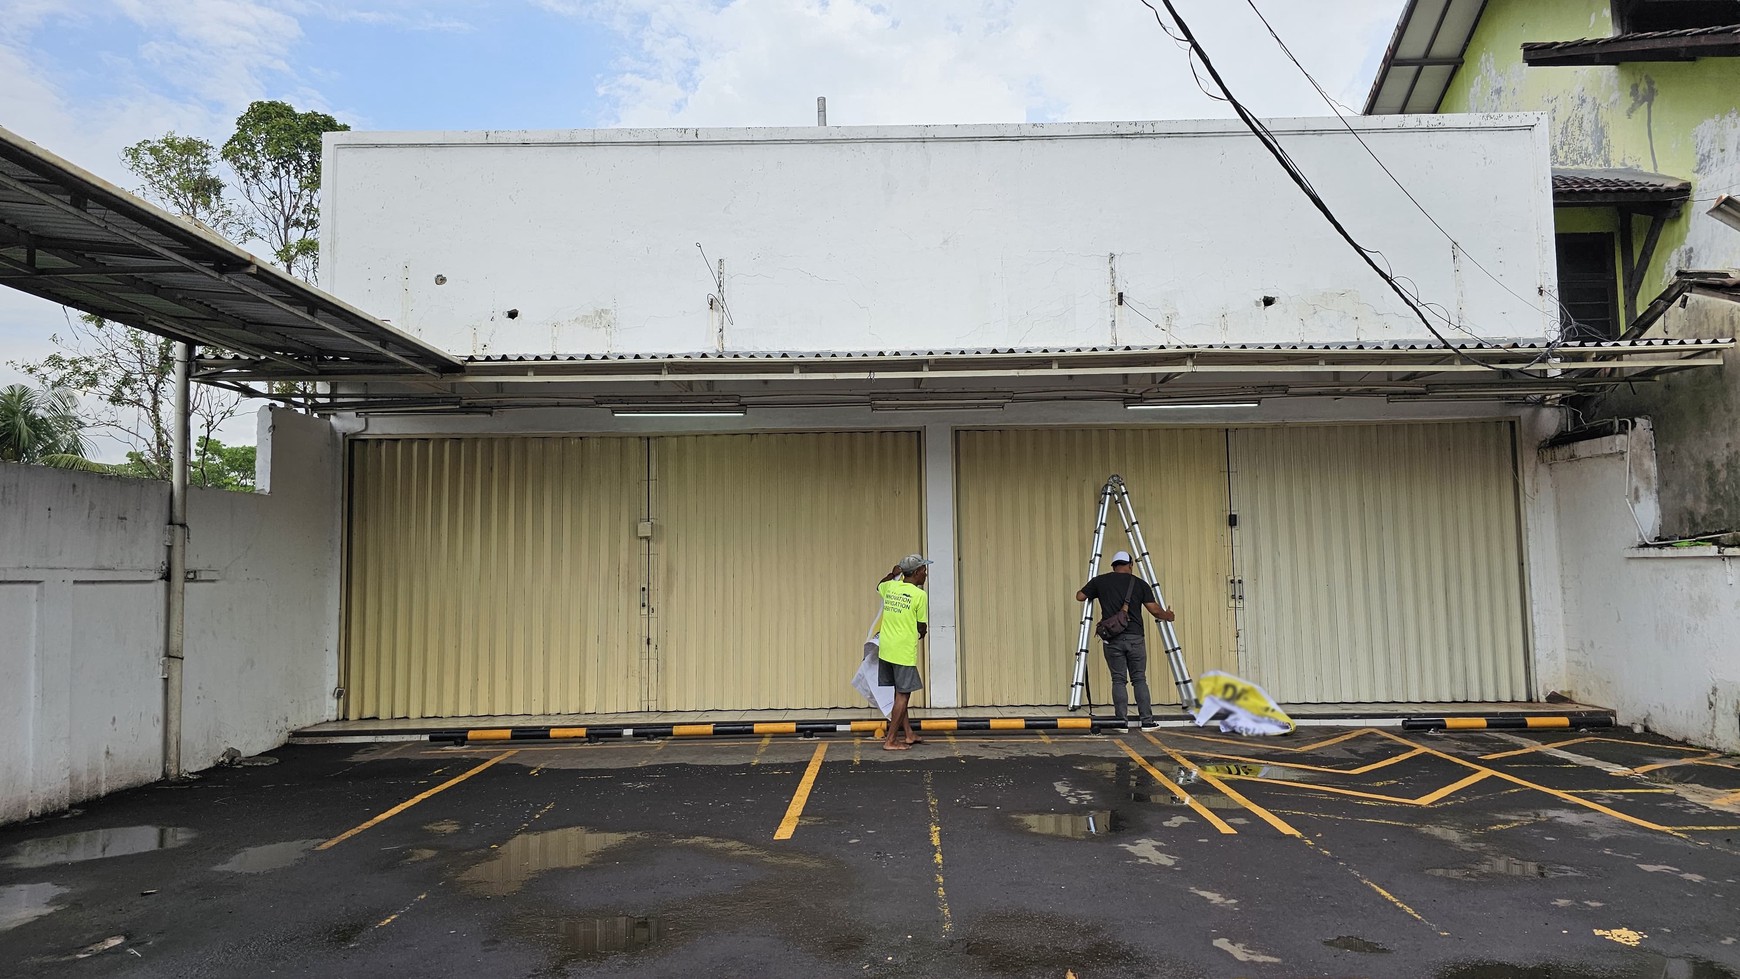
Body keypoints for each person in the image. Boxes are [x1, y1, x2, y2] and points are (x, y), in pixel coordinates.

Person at [1076, 550, 1175, 731]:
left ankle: (1121, 722)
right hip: (1136, 637)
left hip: (1113, 639)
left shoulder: (1100, 581)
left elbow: (1080, 596)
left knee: (1118, 680)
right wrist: (1168, 615)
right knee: (1139, 679)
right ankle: (1147, 721)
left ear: (1113, 566)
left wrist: (1095, 591)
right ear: (1130, 565)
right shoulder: (1139, 584)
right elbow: (1154, 610)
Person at [876, 554, 931, 751]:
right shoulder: (919, 595)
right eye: (923, 570)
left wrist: (893, 574)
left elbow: (879, 585)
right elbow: (921, 624)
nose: (925, 573)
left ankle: (908, 734)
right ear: (916, 573)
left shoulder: (891, 587)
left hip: (887, 648)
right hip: (903, 650)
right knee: (903, 695)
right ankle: (890, 739)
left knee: (899, 692)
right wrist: (923, 632)